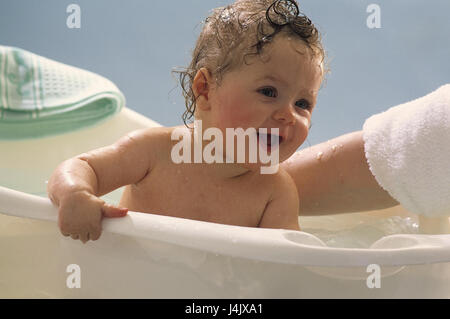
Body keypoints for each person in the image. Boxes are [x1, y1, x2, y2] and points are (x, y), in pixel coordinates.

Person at [47, 0, 325, 243]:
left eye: (303, 104)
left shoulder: (275, 191)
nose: (288, 114)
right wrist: (75, 193)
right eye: (268, 92)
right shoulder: (154, 152)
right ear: (204, 89)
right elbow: (81, 167)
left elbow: (284, 269)